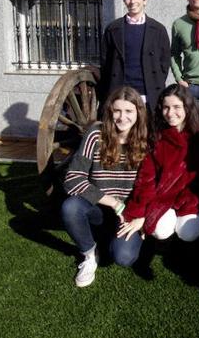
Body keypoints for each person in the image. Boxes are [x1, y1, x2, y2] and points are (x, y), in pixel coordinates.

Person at [115, 84, 199, 262]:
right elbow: (146, 178)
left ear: (187, 106)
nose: (170, 113)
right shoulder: (157, 135)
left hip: (192, 198)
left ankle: (189, 243)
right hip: (163, 198)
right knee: (160, 229)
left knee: (189, 231)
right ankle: (165, 239)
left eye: (177, 107)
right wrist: (139, 212)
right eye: (166, 107)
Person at [60, 87, 148, 287]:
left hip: (129, 213)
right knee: (70, 207)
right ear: (110, 112)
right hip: (98, 207)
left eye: (129, 111)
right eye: (117, 111)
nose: (122, 117)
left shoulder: (146, 141)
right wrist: (113, 202)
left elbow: (152, 186)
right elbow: (72, 178)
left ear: (138, 113)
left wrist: (142, 217)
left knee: (124, 257)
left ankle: (117, 238)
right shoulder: (96, 134)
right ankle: (90, 254)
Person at [100, 0, 171, 111]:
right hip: (120, 93)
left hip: (149, 94)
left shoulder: (158, 29)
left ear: (145, 0)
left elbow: (164, 63)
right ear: (123, 0)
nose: (132, 1)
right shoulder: (112, 29)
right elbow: (106, 63)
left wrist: (155, 82)